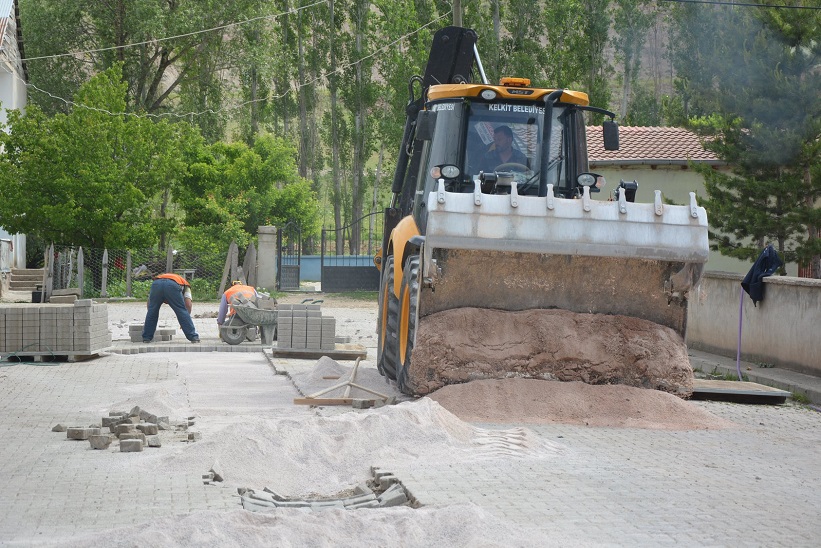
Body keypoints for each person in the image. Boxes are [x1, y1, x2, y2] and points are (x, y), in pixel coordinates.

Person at [142, 273, 200, 343]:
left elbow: (149, 303)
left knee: (152, 311)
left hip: (156, 284)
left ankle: (146, 338)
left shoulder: (160, 279)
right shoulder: (186, 285)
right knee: (181, 310)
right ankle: (193, 337)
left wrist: (151, 313)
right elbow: (188, 304)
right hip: (172, 286)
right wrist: (185, 320)